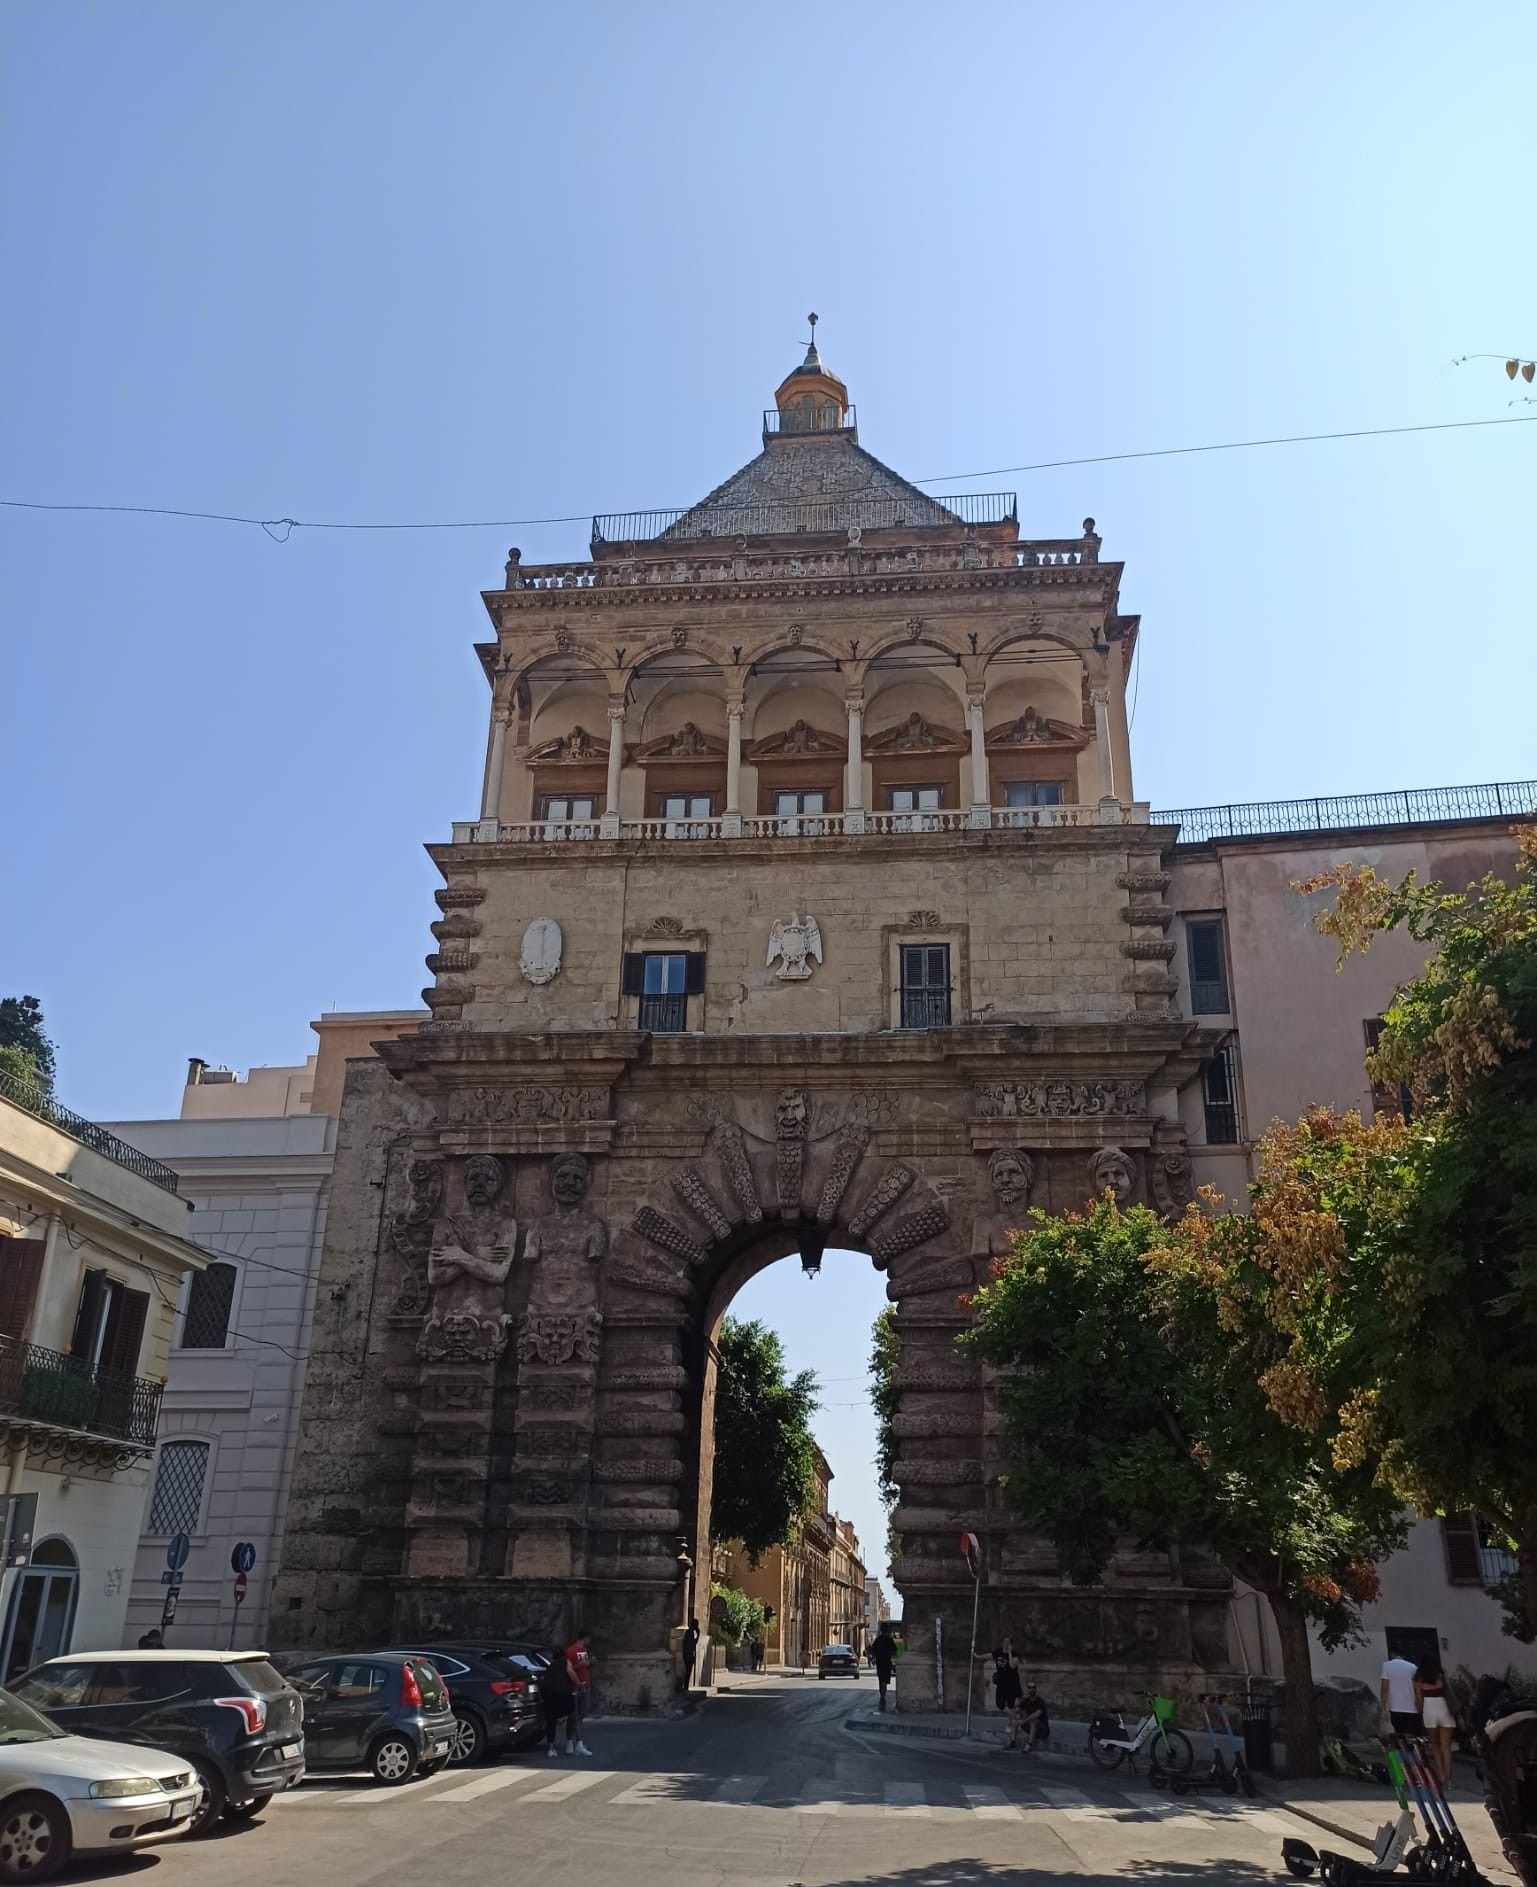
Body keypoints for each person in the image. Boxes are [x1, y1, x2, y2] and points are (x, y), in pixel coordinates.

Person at [1416, 1656, 1456, 1786]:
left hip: (1429, 1710)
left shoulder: (1419, 1679)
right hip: (1444, 1708)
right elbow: (1450, 1691)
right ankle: (1449, 1779)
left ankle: (1441, 1776)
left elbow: (1419, 1701)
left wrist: (1420, 1712)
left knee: (1435, 1745)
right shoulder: (1441, 1676)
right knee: (1446, 1746)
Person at [540, 1646, 579, 1758]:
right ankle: (571, 1742)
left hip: (549, 1694)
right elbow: (570, 1672)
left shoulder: (550, 1667)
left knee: (551, 1721)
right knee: (573, 1714)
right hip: (563, 1693)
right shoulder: (566, 1662)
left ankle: (551, 1748)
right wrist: (578, 1684)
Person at [1381, 1651, 1424, 1740]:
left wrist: (1384, 1707)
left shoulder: (1387, 1666)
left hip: (1395, 1707)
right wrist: (1420, 1705)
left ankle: (1403, 1748)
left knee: (1401, 1737)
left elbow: (1385, 1688)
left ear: (1392, 1654)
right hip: (1412, 1708)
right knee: (1413, 1738)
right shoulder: (1413, 1667)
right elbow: (1417, 1689)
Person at [564, 1629, 593, 1756]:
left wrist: (589, 1663)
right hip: (575, 1686)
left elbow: (585, 1667)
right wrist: (580, 1665)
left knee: (580, 1715)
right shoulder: (571, 1651)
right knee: (574, 1715)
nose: (589, 1641)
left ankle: (571, 1741)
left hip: (585, 1684)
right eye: (588, 1638)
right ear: (584, 1637)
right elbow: (569, 1668)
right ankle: (577, 1743)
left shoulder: (585, 1650)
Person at [997, 1650, 1024, 1746]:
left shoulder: (1015, 1665)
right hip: (1009, 1688)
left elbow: (1020, 1677)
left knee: (1014, 1708)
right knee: (1011, 1708)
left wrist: (1021, 1691)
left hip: (1015, 1688)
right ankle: (1013, 1723)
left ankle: (1013, 1731)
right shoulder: (1007, 1668)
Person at [870, 1623, 898, 1713]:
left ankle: (882, 1694)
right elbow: (895, 1650)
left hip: (880, 1662)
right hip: (887, 1662)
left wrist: (874, 1658)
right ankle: (883, 1693)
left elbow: (872, 1649)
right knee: (885, 1679)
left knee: (881, 1678)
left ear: (881, 1630)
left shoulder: (878, 1639)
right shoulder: (889, 1639)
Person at [1019, 1680, 1050, 1753]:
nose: (1031, 1689)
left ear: (1036, 1689)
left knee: (1033, 1720)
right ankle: (1013, 1740)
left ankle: (1029, 1745)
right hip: (1032, 1728)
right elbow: (1018, 1709)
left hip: (1043, 1731)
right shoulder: (1026, 1700)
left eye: (1033, 1687)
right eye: (1029, 1687)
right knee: (1017, 1716)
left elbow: (1036, 1714)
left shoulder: (1040, 1701)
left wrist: (1024, 1720)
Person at [681, 1617, 700, 1691]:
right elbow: (695, 1642)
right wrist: (698, 1634)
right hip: (690, 1654)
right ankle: (686, 1686)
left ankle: (685, 1686)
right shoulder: (694, 1632)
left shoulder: (687, 1631)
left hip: (685, 1653)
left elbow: (684, 1643)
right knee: (688, 1671)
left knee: (687, 1670)